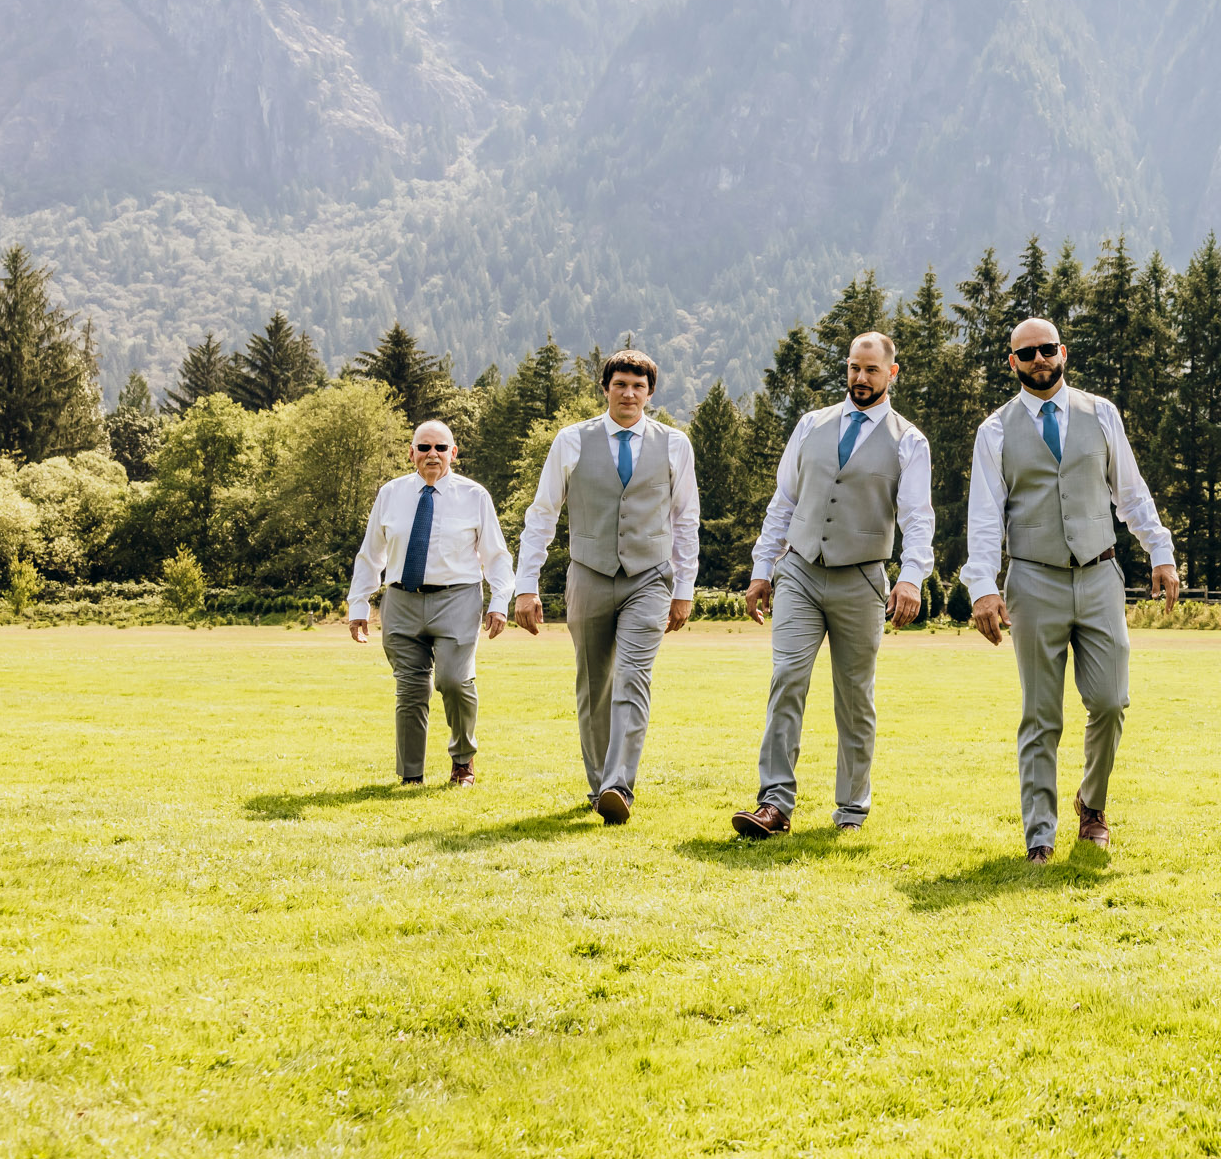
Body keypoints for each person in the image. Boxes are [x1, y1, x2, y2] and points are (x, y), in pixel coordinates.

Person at [963, 318, 1181, 862]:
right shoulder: (994, 430)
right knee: (1042, 714)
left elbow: (1130, 493)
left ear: (1063, 352)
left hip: (1099, 571)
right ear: (1011, 362)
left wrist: (1160, 550)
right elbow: (985, 518)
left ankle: (1092, 803)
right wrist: (982, 588)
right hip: (1033, 579)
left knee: (1110, 701)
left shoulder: (1101, 413)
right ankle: (1040, 833)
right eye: (1026, 353)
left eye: (1046, 350)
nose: (1038, 359)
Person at [735, 333, 933, 839]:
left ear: (892, 373)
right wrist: (763, 570)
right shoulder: (810, 425)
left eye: (871, 369)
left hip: (863, 577)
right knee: (787, 680)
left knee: (854, 697)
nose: (860, 378)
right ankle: (774, 804)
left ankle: (851, 809)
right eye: (853, 368)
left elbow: (917, 518)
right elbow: (783, 503)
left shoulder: (909, 440)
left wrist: (911, 578)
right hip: (799, 571)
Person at [511, 351, 700, 825]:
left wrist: (685, 588)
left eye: (638, 386)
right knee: (594, 686)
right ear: (606, 388)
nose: (629, 393)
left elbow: (686, 520)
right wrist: (526, 586)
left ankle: (619, 785)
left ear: (650, 393)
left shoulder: (675, 445)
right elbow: (542, 516)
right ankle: (599, 786)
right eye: (620, 384)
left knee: (633, 679)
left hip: (650, 578)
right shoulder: (571, 441)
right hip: (588, 574)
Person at [347, 421, 512, 787]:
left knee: (454, 681)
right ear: (411, 453)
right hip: (401, 600)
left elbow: (496, 556)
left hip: (457, 598)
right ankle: (411, 776)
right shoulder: (390, 494)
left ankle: (463, 760)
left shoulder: (474, 496)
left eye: (440, 448)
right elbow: (370, 554)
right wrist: (358, 605)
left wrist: (500, 601)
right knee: (409, 690)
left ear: (454, 453)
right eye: (424, 447)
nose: (432, 454)